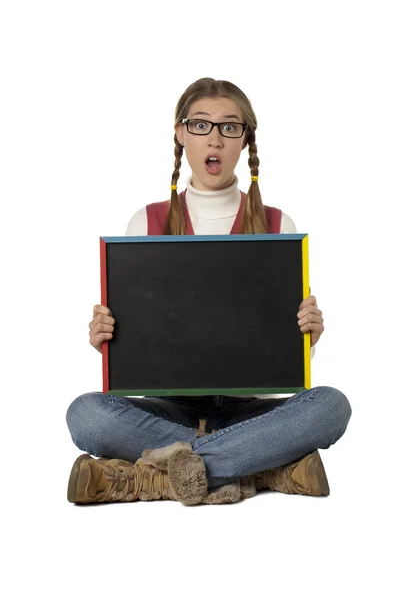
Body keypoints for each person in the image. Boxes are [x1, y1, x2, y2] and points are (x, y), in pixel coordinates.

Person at [66, 77, 352, 505]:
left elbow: (285, 360)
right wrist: (109, 340)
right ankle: (263, 466)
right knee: (85, 415)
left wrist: (308, 338)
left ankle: (161, 476)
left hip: (249, 409)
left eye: (229, 127)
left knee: (331, 406)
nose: (214, 139)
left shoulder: (279, 227)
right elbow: (134, 357)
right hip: (172, 409)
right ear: (181, 134)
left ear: (245, 141)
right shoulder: (145, 223)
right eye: (200, 125)